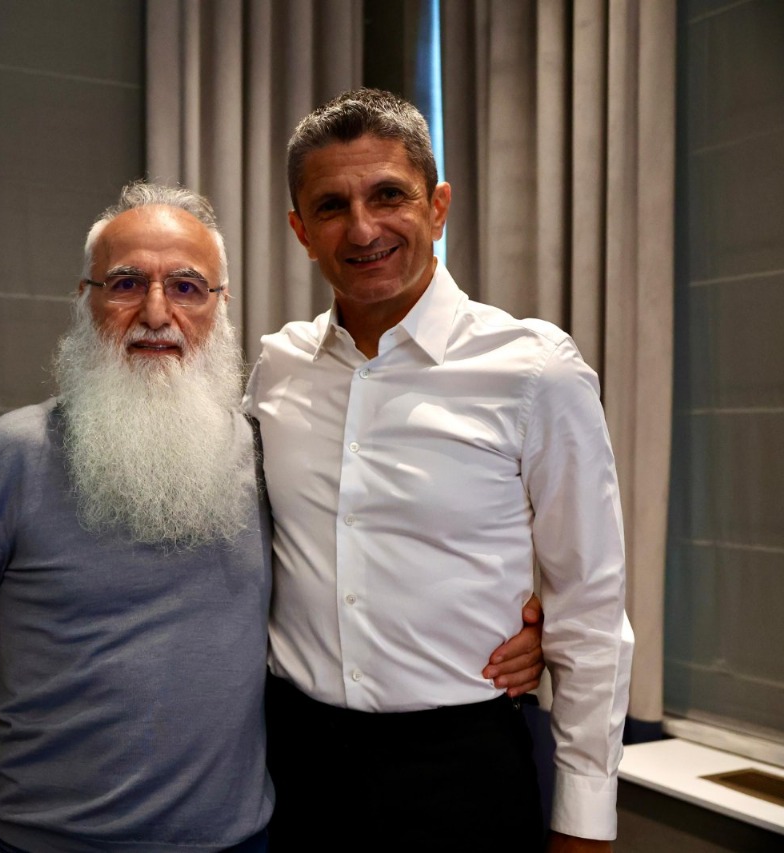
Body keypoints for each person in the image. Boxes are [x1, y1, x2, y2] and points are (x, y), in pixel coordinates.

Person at [0, 182, 544, 853]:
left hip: (243, 842)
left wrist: (503, 621)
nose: (156, 312)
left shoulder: (267, 453)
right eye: (125, 283)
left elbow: (364, 560)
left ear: (220, 306)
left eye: (186, 287)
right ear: (84, 300)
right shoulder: (12, 456)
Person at [245, 88, 634, 852]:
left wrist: (585, 824)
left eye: (389, 195)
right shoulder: (275, 369)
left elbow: (590, 605)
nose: (363, 228)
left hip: (465, 774)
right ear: (301, 231)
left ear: (438, 206)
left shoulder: (535, 370)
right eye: (331, 206)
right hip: (296, 768)